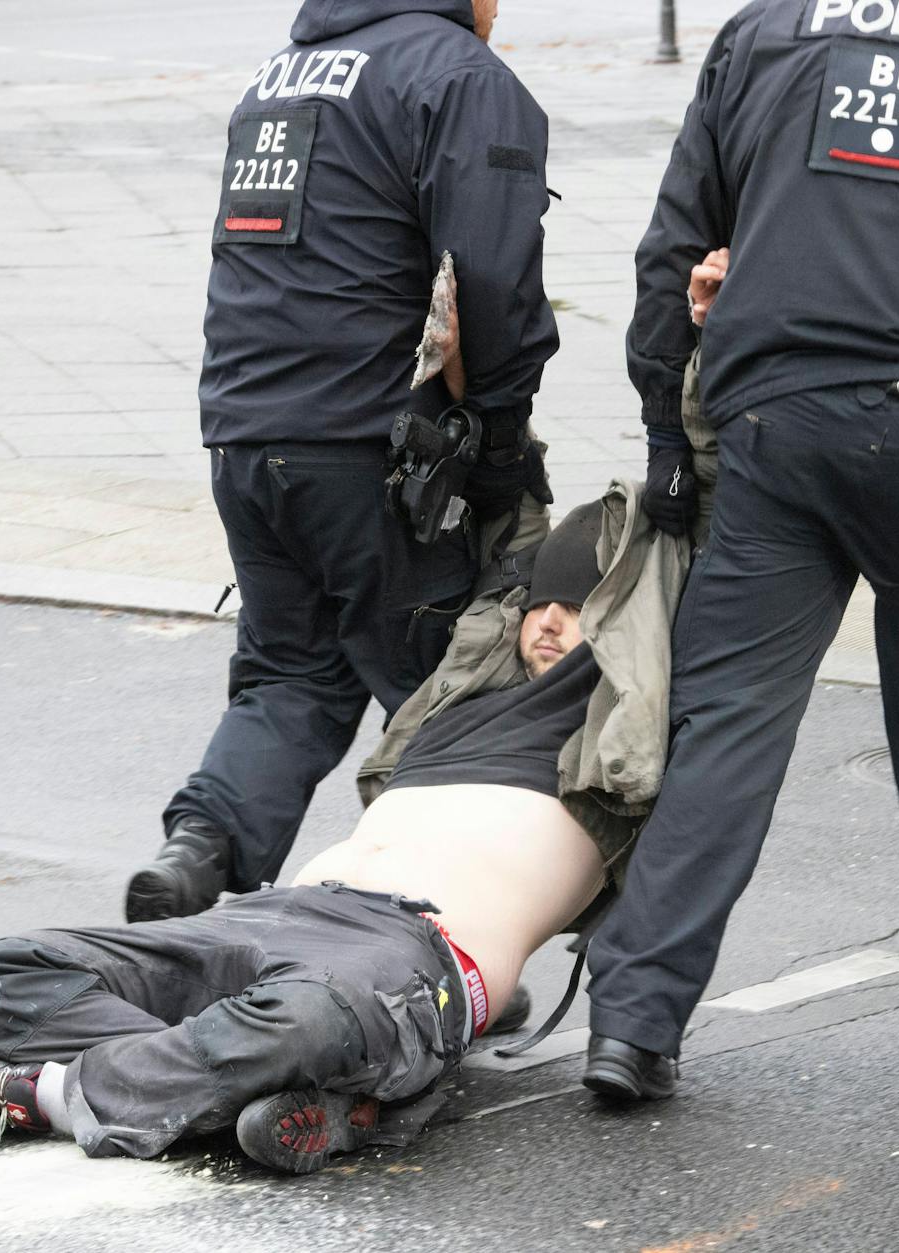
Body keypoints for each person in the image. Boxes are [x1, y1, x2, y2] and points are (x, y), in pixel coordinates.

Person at [0, 503, 674, 1175]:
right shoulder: (462, 688)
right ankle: (277, 1096)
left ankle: (40, 1095)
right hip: (282, 913)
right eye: (543, 604)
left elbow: (691, 543)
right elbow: (501, 507)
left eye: (582, 612)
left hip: (417, 956)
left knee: (304, 1019)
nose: (552, 626)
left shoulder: (614, 726)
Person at [581, 0, 899, 1102]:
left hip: (775, 423)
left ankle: (634, 1018)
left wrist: (666, 427)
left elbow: (673, 242)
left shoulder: (761, 34)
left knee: (727, 721)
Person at [127, 0, 560, 924]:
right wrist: (498, 437)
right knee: (442, 691)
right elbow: (492, 279)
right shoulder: (460, 77)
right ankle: (435, 923)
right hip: (376, 448)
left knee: (293, 670)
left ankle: (199, 850)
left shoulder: (280, 75)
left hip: (249, 431)